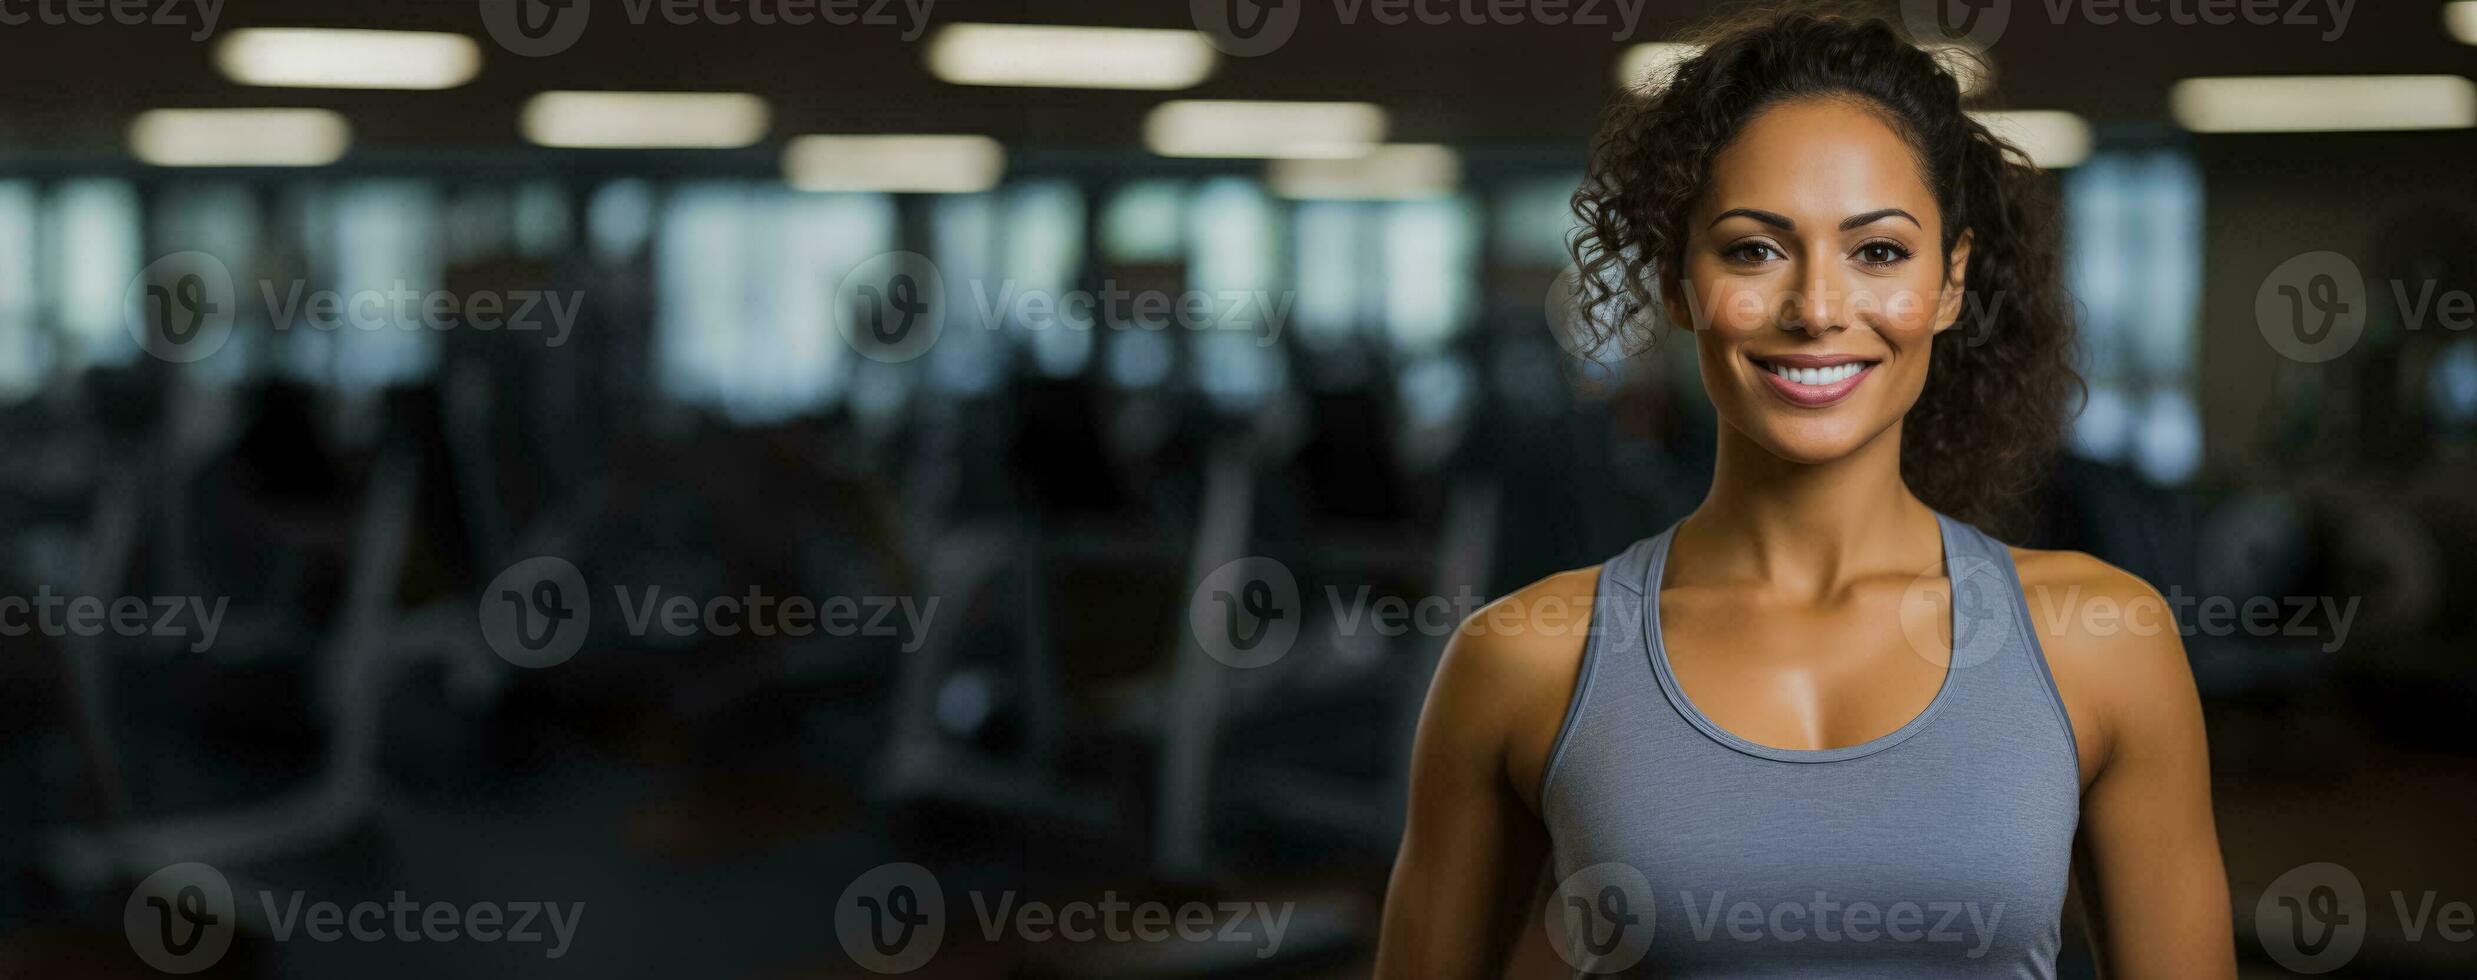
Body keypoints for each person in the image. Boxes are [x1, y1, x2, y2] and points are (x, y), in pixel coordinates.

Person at [1374, 7, 2234, 978]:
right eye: (1752, 249)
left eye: (1877, 251)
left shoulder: (2102, 638)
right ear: (1674, 279)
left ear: (1950, 281)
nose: (1817, 308)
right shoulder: (1521, 661)